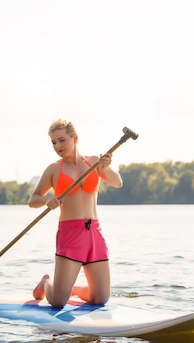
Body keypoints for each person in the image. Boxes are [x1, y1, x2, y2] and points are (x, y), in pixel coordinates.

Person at [28, 119, 123, 307]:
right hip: (70, 234)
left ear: (75, 138)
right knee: (57, 302)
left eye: (62, 140)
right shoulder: (54, 169)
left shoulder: (94, 162)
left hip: (94, 233)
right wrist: (47, 199)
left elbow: (117, 182)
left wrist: (106, 167)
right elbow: (33, 200)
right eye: (54, 142)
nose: (57, 146)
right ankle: (47, 282)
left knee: (101, 298)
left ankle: (71, 288)